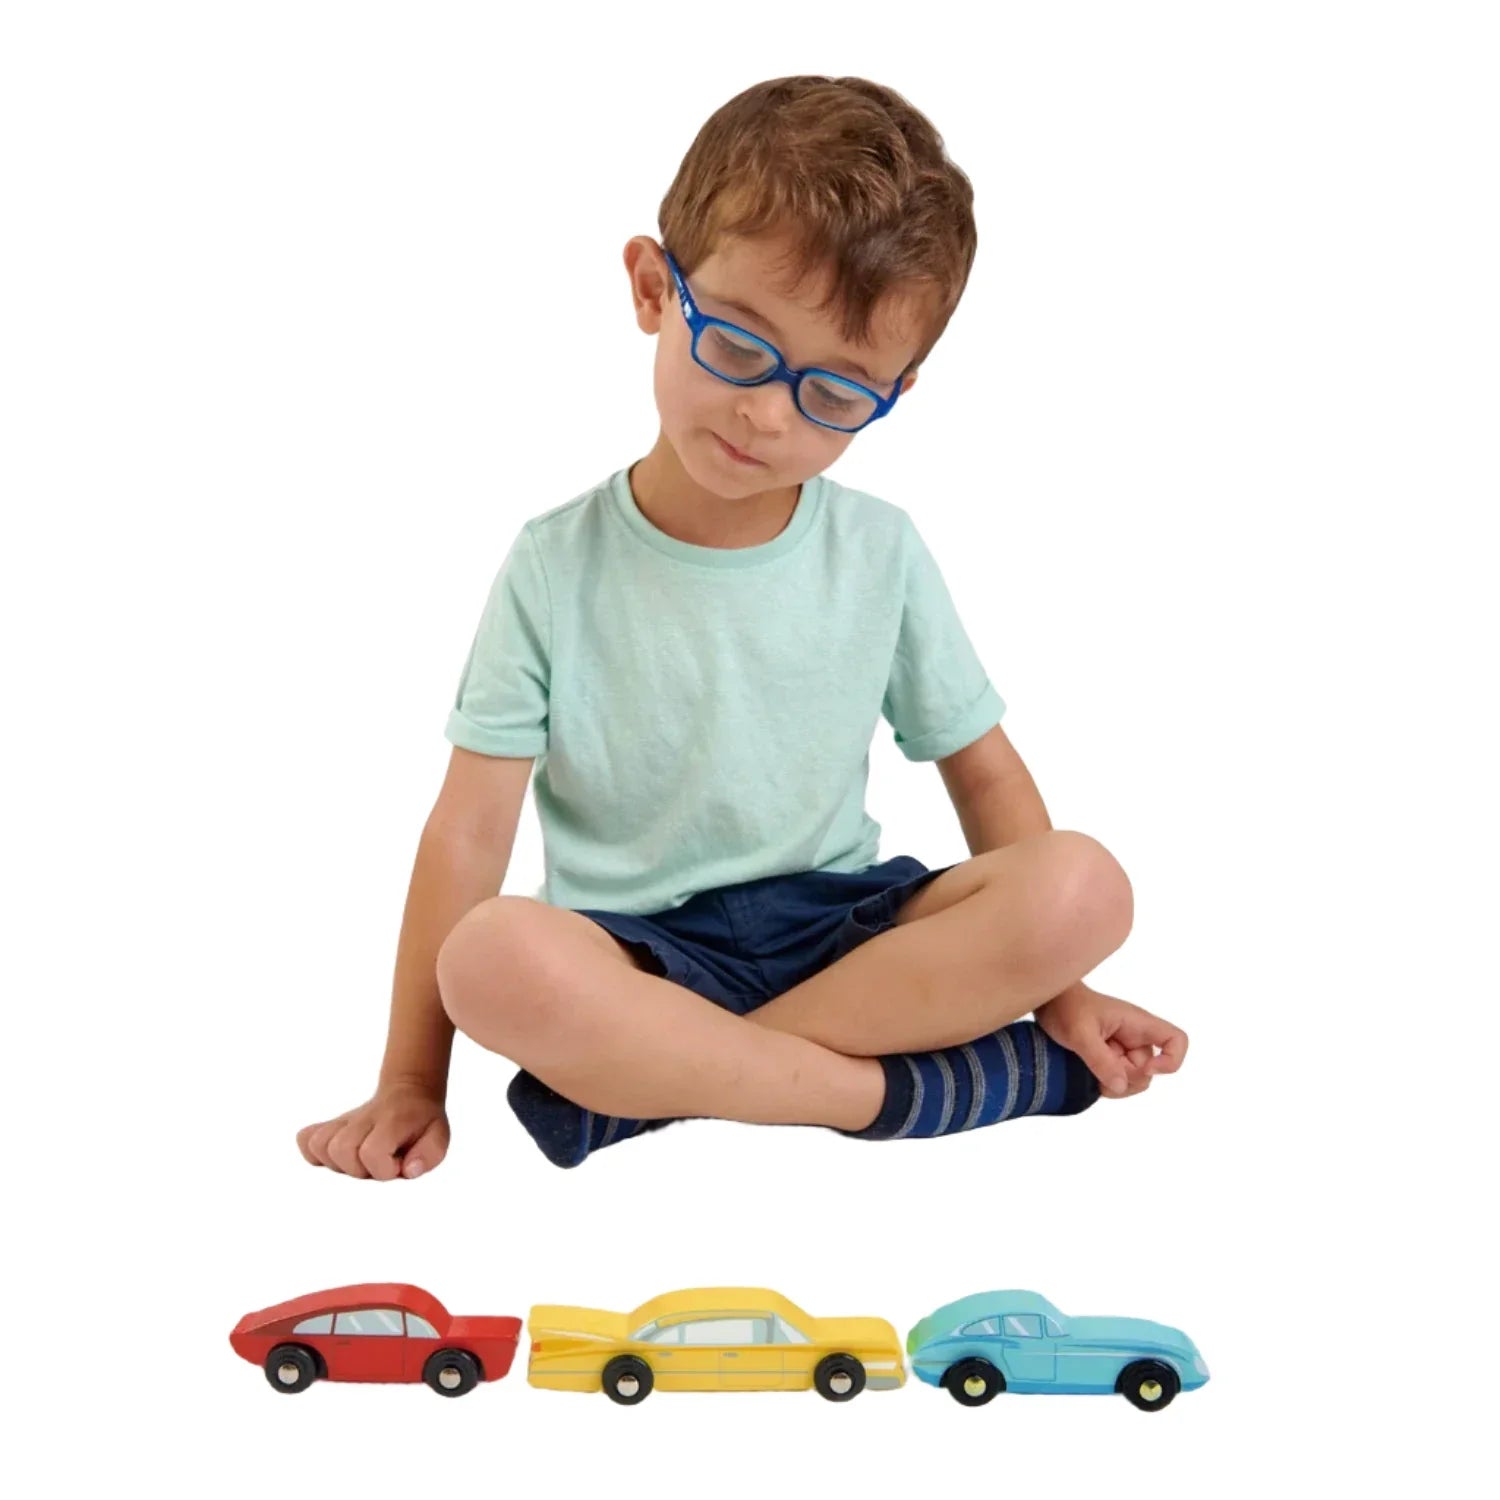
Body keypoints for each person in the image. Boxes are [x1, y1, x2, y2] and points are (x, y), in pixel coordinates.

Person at [297, 75, 1187, 1178]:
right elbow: (468, 835)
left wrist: (1063, 989)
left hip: (844, 929)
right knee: (491, 958)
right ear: (652, 288)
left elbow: (988, 776)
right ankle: (877, 1093)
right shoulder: (552, 565)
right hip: (639, 954)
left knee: (1086, 885)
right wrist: (410, 1083)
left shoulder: (880, 549)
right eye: (741, 344)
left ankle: (658, 1086)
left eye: (836, 391)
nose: (767, 412)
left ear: (899, 391)